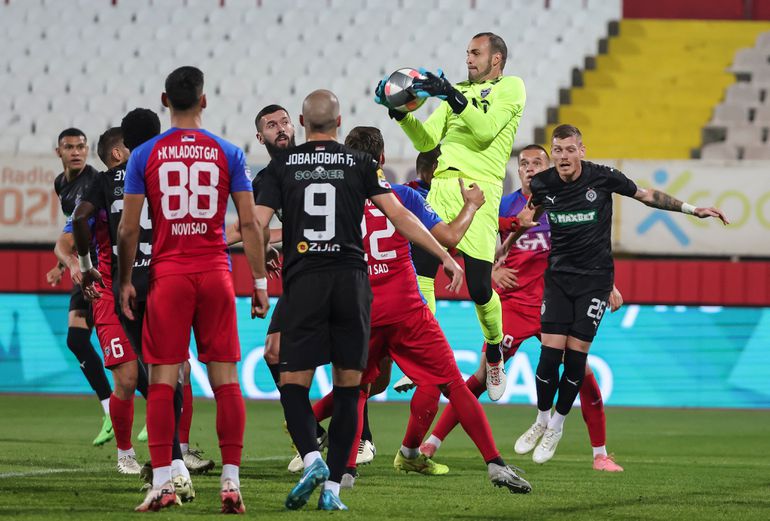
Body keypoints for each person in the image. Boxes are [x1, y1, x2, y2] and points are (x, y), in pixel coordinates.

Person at [254, 90, 464, 511]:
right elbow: (402, 218)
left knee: (291, 378)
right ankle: (333, 489)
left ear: (300, 121)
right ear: (339, 120)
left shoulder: (278, 171)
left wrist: (261, 274)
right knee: (353, 388)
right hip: (353, 283)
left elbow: (254, 226)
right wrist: (444, 256)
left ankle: (312, 455)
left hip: (305, 282)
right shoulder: (360, 163)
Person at [518, 125, 728, 465]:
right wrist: (517, 230)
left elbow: (646, 195)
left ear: (582, 151)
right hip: (558, 278)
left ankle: (556, 424)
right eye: (557, 150)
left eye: (570, 149)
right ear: (552, 154)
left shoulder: (603, 177)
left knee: (575, 359)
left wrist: (692, 209)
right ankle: (541, 418)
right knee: (547, 359)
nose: (563, 157)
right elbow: (534, 210)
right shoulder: (543, 184)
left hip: (596, 281)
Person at [296, 126, 486, 483]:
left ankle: (308, 426)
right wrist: (472, 206)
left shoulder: (335, 198)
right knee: (428, 379)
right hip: (404, 299)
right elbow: (449, 238)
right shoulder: (403, 196)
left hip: (352, 301)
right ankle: (409, 452)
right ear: (382, 159)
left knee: (369, 382)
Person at [118, 66, 268, 513]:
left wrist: (125, 279)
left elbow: (128, 229)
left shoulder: (144, 155)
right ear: (204, 101)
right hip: (216, 273)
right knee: (224, 381)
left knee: (163, 380)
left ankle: (163, 481)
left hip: (168, 276)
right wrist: (259, 282)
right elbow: (248, 224)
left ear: (165, 100)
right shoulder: (229, 152)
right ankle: (231, 481)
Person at [420, 145, 624, 472]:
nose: (530, 169)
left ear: (549, 168)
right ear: (518, 170)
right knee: (483, 376)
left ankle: (600, 454)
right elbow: (465, 245)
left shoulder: (564, 202)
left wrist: (607, 284)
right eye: (524, 164)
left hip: (555, 304)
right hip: (513, 305)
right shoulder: (504, 206)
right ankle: (432, 442)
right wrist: (489, 271)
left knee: (582, 373)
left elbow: (589, 249)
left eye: (537, 163)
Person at [376, 32, 526, 399]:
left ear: (497, 59)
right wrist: (399, 113)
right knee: (422, 271)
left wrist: (451, 95)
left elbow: (487, 132)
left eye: (476, 53)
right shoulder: (455, 92)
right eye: (467, 53)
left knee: (478, 287)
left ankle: (493, 351)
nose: (469, 59)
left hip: (480, 190)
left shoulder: (512, 88)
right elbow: (427, 141)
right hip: (441, 187)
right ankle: (420, 356)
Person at [49, 127, 114, 446]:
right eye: (69, 147)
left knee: (124, 342)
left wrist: (72, 263)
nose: (76, 151)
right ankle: (110, 411)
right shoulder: (61, 184)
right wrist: (62, 264)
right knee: (76, 339)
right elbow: (73, 231)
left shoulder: (91, 182)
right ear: (58, 152)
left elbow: (84, 228)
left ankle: (155, 407)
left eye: (81, 146)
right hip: (83, 265)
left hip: (100, 268)